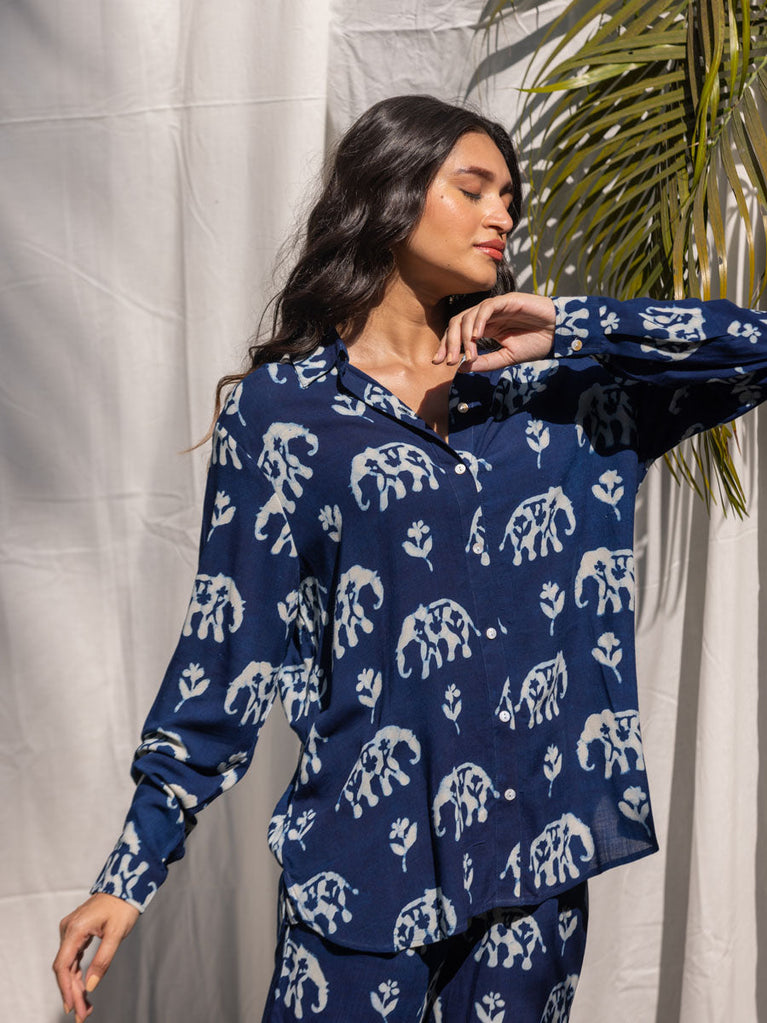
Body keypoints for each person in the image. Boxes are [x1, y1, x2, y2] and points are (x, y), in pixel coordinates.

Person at [53, 94, 767, 1023]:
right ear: (388, 194)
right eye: (472, 188)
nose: (501, 214)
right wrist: (129, 870)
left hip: (532, 870)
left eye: (509, 197)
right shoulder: (283, 415)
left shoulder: (557, 393)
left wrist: (572, 326)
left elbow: (753, 351)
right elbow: (226, 649)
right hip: (360, 867)